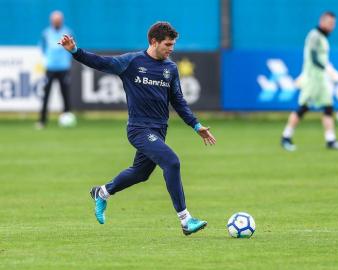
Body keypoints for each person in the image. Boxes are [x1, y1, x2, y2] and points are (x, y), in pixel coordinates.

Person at [58, 21, 216, 235]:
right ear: (153, 41)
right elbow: (101, 62)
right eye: (168, 44)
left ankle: (102, 192)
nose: (171, 49)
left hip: (159, 130)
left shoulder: (170, 68)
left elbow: (178, 101)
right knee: (172, 161)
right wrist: (75, 51)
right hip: (139, 129)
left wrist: (196, 125)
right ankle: (185, 220)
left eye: (173, 45)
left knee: (140, 173)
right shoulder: (131, 62)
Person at [280, 11, 338, 151]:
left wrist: (328, 70)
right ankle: (286, 137)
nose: (331, 26)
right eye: (329, 23)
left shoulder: (322, 38)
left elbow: (322, 59)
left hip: (321, 79)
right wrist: (329, 70)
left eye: (333, 24)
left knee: (328, 108)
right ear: (321, 21)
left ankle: (330, 140)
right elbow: (314, 58)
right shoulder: (314, 36)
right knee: (303, 107)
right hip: (312, 79)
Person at [37, 10, 74, 129]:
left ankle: (67, 119)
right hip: (51, 68)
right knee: (46, 94)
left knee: (65, 94)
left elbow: (73, 47)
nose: (57, 22)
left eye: (59, 20)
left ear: (61, 20)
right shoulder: (46, 33)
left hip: (63, 68)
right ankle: (42, 121)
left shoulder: (67, 32)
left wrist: (66, 60)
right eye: (55, 20)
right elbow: (42, 47)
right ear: (52, 21)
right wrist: (48, 59)